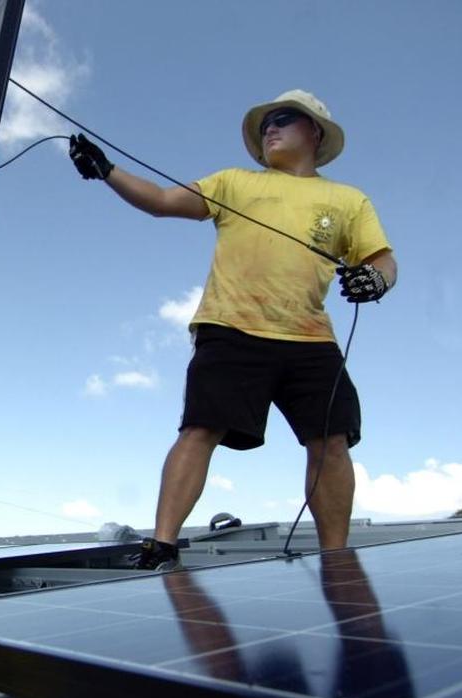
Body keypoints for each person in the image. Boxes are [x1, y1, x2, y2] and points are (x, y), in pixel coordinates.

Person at [69, 89, 397, 567]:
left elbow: (383, 259)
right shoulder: (233, 181)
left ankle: (337, 556)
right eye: (266, 122)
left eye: (283, 119)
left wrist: (377, 281)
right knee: (199, 428)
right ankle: (162, 545)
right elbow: (162, 200)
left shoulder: (348, 199)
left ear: (315, 132)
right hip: (230, 327)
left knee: (331, 438)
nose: (270, 128)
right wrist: (108, 172)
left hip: (311, 339)